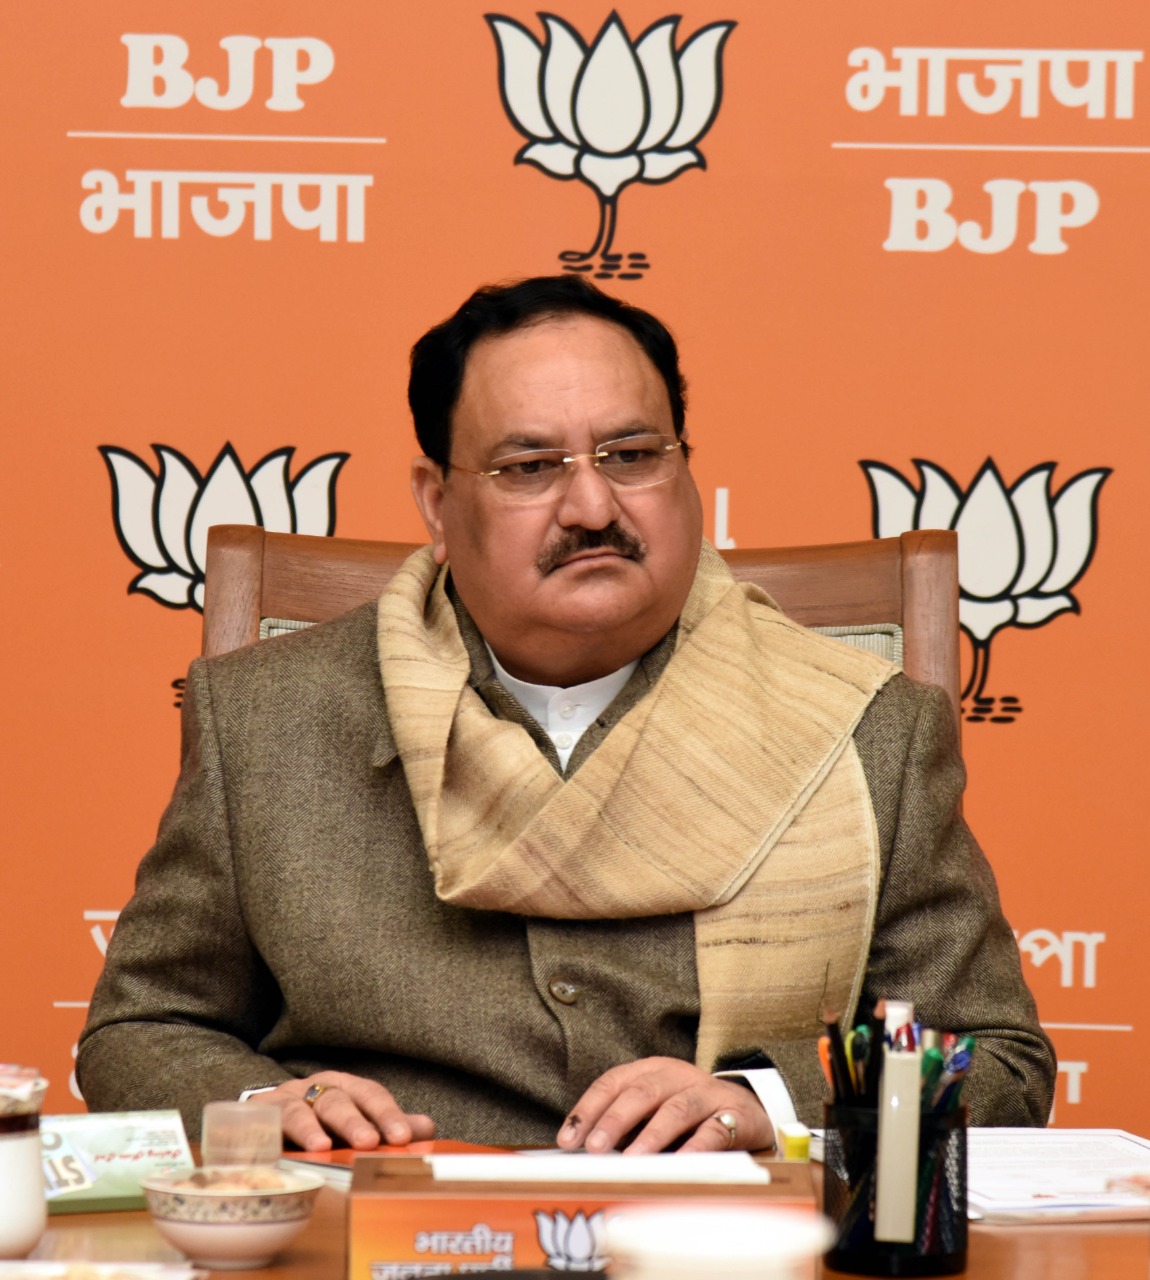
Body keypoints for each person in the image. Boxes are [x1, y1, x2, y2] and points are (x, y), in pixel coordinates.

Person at [78, 276, 1055, 1155]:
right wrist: (265, 1098)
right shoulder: (269, 719)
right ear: (435, 499)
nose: (591, 504)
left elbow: (1000, 1064)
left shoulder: (861, 727)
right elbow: (140, 1032)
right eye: (529, 466)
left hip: (724, 1248)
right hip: (380, 1234)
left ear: (685, 468)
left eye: (631, 453)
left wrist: (770, 1102)